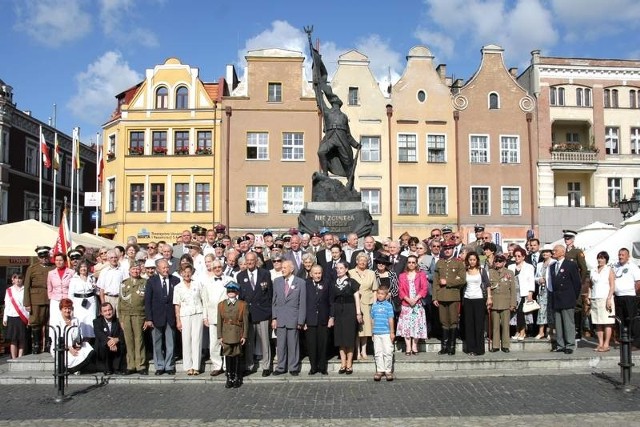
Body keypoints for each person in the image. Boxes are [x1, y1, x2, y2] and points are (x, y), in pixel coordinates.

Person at [237, 251, 273, 377]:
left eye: (252, 260)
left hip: (263, 312)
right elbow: (240, 297)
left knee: (265, 341)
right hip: (249, 314)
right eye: (247, 260)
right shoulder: (240, 276)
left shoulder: (265, 273)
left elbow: (269, 294)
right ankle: (249, 365)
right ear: (245, 262)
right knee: (249, 341)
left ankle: (266, 366)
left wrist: (270, 313)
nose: (250, 262)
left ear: (256, 261)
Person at [144, 259, 180, 375]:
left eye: (167, 267)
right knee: (157, 342)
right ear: (158, 269)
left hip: (170, 316)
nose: (166, 270)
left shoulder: (175, 280)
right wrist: (149, 318)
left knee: (170, 342)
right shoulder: (151, 281)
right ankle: (159, 365)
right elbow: (147, 301)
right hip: (156, 317)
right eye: (163, 268)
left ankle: (169, 366)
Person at [271, 260, 306, 376]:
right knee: (280, 345)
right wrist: (274, 318)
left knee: (293, 345)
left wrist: (301, 320)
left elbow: (302, 303)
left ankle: (293, 367)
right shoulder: (277, 282)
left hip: (293, 318)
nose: (283, 269)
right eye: (282, 267)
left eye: (285, 267)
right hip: (280, 318)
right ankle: (281, 367)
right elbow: (274, 301)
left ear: (292, 269)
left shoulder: (300, 282)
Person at [433, 239, 466, 355]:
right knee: (443, 321)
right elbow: (436, 281)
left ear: (453, 249)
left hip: (453, 296)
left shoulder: (458, 263)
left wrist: (447, 281)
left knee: (453, 321)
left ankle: (452, 346)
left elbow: (462, 280)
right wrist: (435, 297)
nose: (447, 251)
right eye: (446, 249)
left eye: (450, 248)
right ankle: (444, 346)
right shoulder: (439, 263)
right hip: (441, 296)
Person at [201, 256, 231, 376]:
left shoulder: (229, 280)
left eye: (219, 267)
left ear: (222, 267)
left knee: (228, 341)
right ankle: (217, 365)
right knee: (214, 342)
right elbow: (205, 301)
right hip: (213, 316)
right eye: (215, 267)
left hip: (227, 316)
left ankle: (227, 365)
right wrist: (205, 317)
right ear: (212, 269)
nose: (217, 269)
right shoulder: (207, 283)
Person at [330, 261, 362, 375]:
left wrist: (358, 313)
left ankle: (349, 364)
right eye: (337, 268)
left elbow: (356, 297)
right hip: (338, 312)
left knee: (349, 338)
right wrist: (332, 316)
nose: (339, 270)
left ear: (346, 269)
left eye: (341, 268)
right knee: (340, 338)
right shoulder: (333, 283)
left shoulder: (352, 282)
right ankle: (342, 363)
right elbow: (332, 300)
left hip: (350, 310)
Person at [550, 245, 582, 354]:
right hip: (557, 298)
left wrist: (573, 297)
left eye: (556, 250)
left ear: (562, 252)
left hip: (567, 297)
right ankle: (560, 345)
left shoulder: (570, 265)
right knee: (558, 323)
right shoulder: (552, 266)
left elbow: (577, 283)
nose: (553, 252)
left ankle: (570, 344)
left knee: (568, 323)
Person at [173, 264, 204, 376]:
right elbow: (177, 305)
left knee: (197, 340)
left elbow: (203, 299)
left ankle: (196, 366)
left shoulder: (198, 284)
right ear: (181, 273)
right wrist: (178, 320)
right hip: (184, 315)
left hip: (198, 313)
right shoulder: (177, 287)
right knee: (186, 340)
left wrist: (204, 316)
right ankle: (188, 366)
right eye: (184, 272)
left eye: (188, 271)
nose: (186, 274)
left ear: (192, 272)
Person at [217, 283, 249, 388]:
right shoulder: (221, 305)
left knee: (237, 355)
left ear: (237, 292)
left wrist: (244, 335)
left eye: (233, 291)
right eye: (229, 291)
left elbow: (245, 321)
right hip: (226, 334)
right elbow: (219, 321)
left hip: (237, 333)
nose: (231, 293)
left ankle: (237, 377)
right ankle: (229, 377)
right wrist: (219, 336)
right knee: (228, 356)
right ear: (227, 293)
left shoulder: (242, 304)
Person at [24, 246, 55, 354]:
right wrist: (27, 303)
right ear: (38, 257)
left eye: (46, 256)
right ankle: (36, 345)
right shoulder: (32, 268)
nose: (44, 259)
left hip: (51, 299)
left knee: (49, 323)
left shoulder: (53, 267)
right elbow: (27, 286)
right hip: (36, 299)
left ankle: (47, 345)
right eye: (42, 257)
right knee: (36, 322)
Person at [51, 298, 94, 374]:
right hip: (62, 347)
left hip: (73, 346)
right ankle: (71, 369)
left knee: (89, 349)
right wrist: (69, 348)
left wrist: (78, 344)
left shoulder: (75, 320)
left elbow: (78, 335)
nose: (67, 311)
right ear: (61, 309)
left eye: (69, 308)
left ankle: (74, 368)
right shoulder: (57, 321)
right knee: (69, 358)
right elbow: (57, 339)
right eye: (65, 308)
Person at [119, 263, 148, 375]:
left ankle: (140, 365)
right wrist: (121, 318)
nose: (135, 271)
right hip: (126, 315)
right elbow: (120, 302)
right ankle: (131, 365)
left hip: (139, 315)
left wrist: (147, 318)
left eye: (137, 269)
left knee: (139, 339)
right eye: (133, 269)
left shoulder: (144, 282)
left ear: (140, 270)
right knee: (129, 340)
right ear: (129, 270)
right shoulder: (124, 283)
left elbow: (147, 302)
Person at [396, 254, 428, 355]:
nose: (411, 264)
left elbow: (424, 288)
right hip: (406, 304)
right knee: (406, 326)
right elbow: (400, 290)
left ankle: (414, 346)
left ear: (416, 263)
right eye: (409, 262)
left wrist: (416, 298)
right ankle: (408, 347)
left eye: (413, 262)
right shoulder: (402, 275)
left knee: (416, 326)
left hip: (417, 303)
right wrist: (408, 299)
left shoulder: (421, 274)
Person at [304, 265, 332, 375]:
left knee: (323, 344)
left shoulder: (327, 283)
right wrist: (303, 320)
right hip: (310, 319)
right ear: (311, 274)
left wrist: (331, 317)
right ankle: (313, 367)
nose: (317, 275)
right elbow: (303, 302)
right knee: (312, 345)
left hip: (323, 318)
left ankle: (322, 367)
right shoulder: (306, 284)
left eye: (319, 273)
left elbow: (331, 301)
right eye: (315, 273)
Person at [349, 252, 377, 360]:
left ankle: (364, 351)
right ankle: (357, 351)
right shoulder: (350, 272)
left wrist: (374, 305)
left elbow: (374, 290)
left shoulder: (371, 273)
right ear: (356, 261)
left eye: (365, 261)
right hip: (354, 303)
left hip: (367, 303)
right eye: (360, 260)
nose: (362, 262)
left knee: (365, 329)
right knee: (356, 329)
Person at [487, 254, 517, 352]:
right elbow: (487, 288)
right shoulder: (490, 272)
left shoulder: (510, 273)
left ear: (504, 262)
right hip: (494, 302)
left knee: (505, 325)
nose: (498, 263)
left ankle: (505, 345)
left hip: (505, 302)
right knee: (495, 325)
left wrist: (513, 303)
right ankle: (495, 345)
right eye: (496, 261)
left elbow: (513, 289)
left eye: (500, 261)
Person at [463, 252, 489, 356]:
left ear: (477, 260)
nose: (472, 261)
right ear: (467, 260)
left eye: (474, 259)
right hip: (467, 299)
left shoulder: (481, 270)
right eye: (470, 259)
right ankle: (471, 348)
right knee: (469, 324)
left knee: (479, 324)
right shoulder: (465, 271)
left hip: (479, 299)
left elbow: (487, 284)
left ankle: (479, 349)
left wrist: (489, 297)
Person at [589, 251, 615, 352]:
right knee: (598, 322)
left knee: (607, 322)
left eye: (603, 258)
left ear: (606, 260)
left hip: (605, 298)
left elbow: (612, 286)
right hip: (595, 298)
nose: (600, 260)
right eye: (599, 258)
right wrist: (589, 296)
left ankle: (606, 344)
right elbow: (591, 285)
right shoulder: (593, 270)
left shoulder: (609, 270)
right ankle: (600, 343)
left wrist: (609, 298)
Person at [612, 248, 640, 344]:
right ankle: (624, 340)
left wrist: (632, 291)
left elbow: (638, 282)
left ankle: (636, 342)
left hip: (629, 296)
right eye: (619, 254)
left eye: (623, 255)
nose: (620, 257)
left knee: (632, 319)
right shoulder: (615, 266)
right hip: (618, 296)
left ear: (628, 256)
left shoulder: (633, 267)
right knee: (620, 319)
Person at [509, 247, 536, 341]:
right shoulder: (510, 267)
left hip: (524, 292)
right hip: (514, 292)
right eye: (515, 256)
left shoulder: (529, 267)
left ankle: (523, 331)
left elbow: (531, 280)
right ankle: (517, 330)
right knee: (514, 312)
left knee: (522, 312)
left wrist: (530, 293)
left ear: (523, 257)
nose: (517, 258)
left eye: (519, 256)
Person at [93, 302, 125, 375]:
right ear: (101, 313)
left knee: (122, 343)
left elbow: (123, 333)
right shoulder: (96, 322)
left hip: (116, 345)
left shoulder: (118, 321)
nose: (108, 313)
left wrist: (116, 339)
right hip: (103, 347)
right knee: (103, 344)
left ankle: (117, 368)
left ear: (113, 310)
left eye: (109, 310)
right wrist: (109, 341)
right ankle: (107, 369)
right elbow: (99, 334)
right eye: (105, 311)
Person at [69, 260, 98, 339]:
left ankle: (91, 340)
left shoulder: (91, 277)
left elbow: (96, 291)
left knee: (91, 320)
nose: (83, 268)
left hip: (91, 302)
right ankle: (80, 340)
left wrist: (95, 286)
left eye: (85, 266)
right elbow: (70, 294)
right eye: (81, 267)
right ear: (78, 268)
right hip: (78, 303)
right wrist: (71, 307)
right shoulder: (74, 279)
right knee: (80, 320)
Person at [371, 286, 395, 381]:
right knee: (378, 352)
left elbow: (390, 319)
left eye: (382, 294)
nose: (380, 296)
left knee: (388, 351)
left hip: (386, 333)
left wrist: (392, 332)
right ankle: (380, 370)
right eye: (378, 293)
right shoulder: (374, 306)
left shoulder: (388, 306)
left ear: (386, 295)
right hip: (377, 332)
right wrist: (372, 332)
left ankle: (388, 370)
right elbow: (372, 319)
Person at [3, 274, 29, 358]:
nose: (18, 280)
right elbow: (7, 305)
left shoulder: (26, 289)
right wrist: (5, 318)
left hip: (22, 317)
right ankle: (14, 358)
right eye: (16, 278)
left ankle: (20, 357)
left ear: (23, 279)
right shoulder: (9, 290)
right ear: (12, 279)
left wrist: (28, 318)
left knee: (22, 338)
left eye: (20, 278)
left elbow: (27, 305)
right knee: (13, 339)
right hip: (12, 316)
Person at [47, 253, 74, 328]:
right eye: (56, 260)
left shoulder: (71, 272)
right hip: (55, 300)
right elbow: (49, 287)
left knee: (67, 318)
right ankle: (54, 338)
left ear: (65, 261)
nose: (58, 262)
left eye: (61, 260)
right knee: (55, 320)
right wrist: (51, 298)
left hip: (67, 299)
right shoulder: (51, 273)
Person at [534, 245, 554, 340]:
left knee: (550, 311)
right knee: (541, 311)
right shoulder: (539, 265)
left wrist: (546, 279)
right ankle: (541, 332)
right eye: (543, 252)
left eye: (547, 252)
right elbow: (535, 277)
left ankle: (550, 332)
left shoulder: (554, 263)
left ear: (551, 253)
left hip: (551, 290)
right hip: (541, 291)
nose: (545, 253)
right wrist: (539, 280)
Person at [97, 249, 125, 316]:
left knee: (120, 319)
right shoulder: (104, 271)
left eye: (115, 257)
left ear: (118, 258)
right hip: (108, 298)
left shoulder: (122, 270)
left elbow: (126, 285)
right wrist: (103, 303)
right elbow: (101, 289)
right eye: (111, 258)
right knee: (109, 319)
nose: (114, 259)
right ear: (108, 259)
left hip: (120, 298)